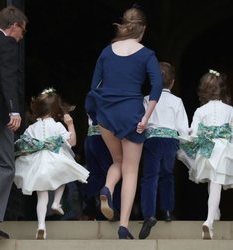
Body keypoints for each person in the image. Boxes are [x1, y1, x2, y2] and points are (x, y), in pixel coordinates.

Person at [85, 6, 163, 239]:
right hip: (131, 113)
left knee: (117, 161)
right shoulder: (147, 54)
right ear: (143, 29)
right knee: (131, 170)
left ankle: (107, 188)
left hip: (106, 113)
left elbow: (94, 85)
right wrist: (146, 117)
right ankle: (123, 226)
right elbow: (157, 86)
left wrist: (97, 112)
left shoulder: (107, 52)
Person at [14, 88, 89, 239]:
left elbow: (25, 146)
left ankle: (41, 226)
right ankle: (56, 203)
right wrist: (70, 124)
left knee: (41, 197)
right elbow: (72, 142)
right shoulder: (57, 125)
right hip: (55, 160)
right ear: (56, 110)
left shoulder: (31, 128)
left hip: (37, 164)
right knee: (64, 175)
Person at [0, 6, 28, 239]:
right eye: (23, 30)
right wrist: (14, 110)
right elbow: (7, 77)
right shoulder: (7, 44)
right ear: (15, 26)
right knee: (5, 166)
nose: (22, 36)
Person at [177, 69, 233, 240]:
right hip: (223, 149)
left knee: (213, 181)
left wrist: (184, 135)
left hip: (207, 150)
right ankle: (209, 220)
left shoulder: (200, 111)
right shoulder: (230, 109)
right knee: (215, 181)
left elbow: (193, 135)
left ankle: (214, 212)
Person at [138, 62, 189, 239]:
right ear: (172, 82)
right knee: (167, 175)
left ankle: (149, 214)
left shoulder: (146, 99)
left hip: (152, 140)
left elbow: (142, 124)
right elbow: (183, 127)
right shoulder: (177, 101)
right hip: (170, 141)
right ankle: (167, 210)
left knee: (149, 177)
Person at [80, 116, 121, 220]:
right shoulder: (108, 99)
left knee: (95, 175)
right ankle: (114, 208)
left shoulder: (91, 99)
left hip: (90, 137)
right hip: (105, 138)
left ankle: (88, 204)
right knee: (114, 174)